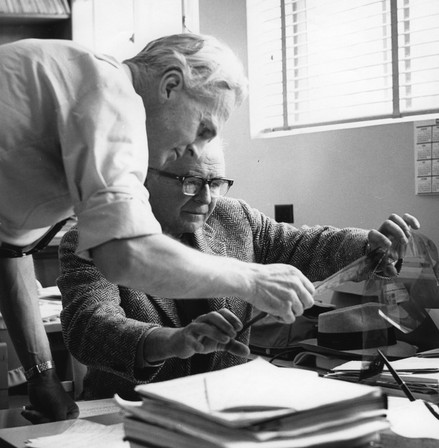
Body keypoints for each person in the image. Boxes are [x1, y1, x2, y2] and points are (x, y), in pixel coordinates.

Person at [0, 33, 310, 423]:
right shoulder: (112, 94)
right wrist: (252, 280)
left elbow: (10, 251)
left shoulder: (81, 91)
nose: (196, 150)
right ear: (170, 85)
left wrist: (41, 375)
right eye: (203, 128)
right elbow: (125, 255)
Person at [57, 140, 419, 401]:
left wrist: (369, 245)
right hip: (129, 413)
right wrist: (174, 341)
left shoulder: (233, 218)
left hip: (224, 409)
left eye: (216, 183)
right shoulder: (94, 239)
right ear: (144, 179)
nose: (207, 197)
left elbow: (301, 244)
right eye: (192, 182)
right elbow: (90, 328)